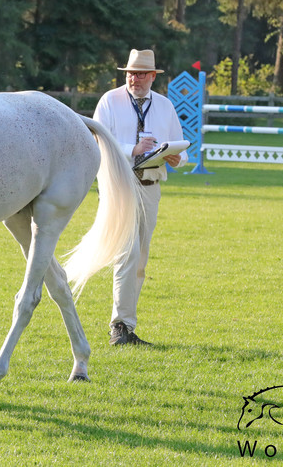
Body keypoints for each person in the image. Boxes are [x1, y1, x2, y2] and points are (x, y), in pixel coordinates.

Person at [93, 49, 187, 346]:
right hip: (120, 185)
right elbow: (96, 140)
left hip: (150, 187)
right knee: (126, 252)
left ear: (152, 77)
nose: (135, 78)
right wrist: (132, 149)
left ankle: (126, 326)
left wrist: (176, 159)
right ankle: (119, 327)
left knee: (140, 258)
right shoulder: (110, 100)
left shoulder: (165, 106)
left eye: (141, 73)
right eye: (131, 73)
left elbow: (182, 150)